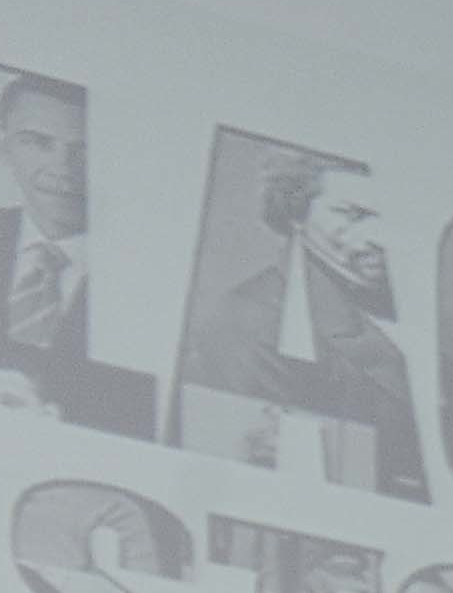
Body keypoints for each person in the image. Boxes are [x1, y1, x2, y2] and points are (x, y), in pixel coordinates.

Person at [173, 152, 426, 499]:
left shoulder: (413, 309)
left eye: (390, 218)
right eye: (352, 215)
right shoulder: (247, 317)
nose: (379, 236)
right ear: (296, 213)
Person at [0, 73, 149, 433]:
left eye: (86, 150)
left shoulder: (146, 283)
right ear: (2, 144)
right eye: (38, 143)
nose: (63, 169)